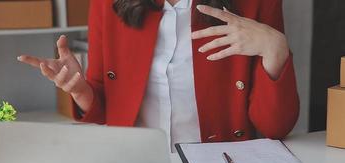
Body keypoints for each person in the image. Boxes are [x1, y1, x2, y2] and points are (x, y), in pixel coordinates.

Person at [18, 0, 299, 151]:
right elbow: (108, 108)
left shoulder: (256, 3)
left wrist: (276, 48)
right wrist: (81, 91)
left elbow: (276, 127)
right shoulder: (107, 3)